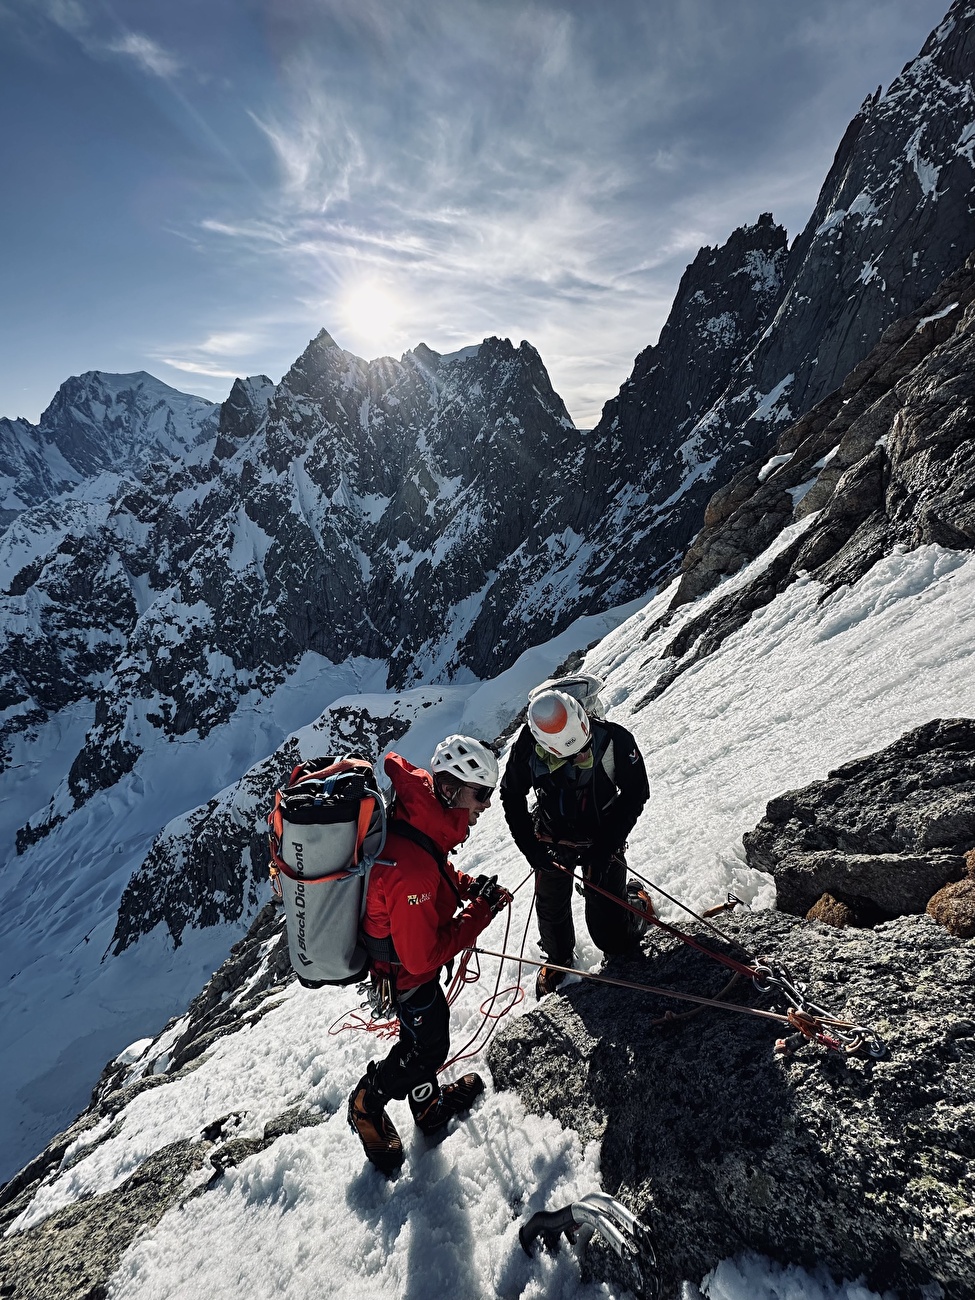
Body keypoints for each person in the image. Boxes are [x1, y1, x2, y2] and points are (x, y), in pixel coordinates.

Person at [347, 735, 511, 1175]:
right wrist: (481, 912)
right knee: (428, 1047)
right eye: (481, 795)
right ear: (453, 790)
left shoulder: (420, 811)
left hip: (396, 962)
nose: (487, 805)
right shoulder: (413, 870)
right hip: (406, 974)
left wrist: (465, 885)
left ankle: (428, 1105)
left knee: (420, 1038)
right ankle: (367, 1101)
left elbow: (432, 862)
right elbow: (423, 957)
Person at [500, 686, 650, 997]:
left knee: (613, 940)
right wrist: (531, 849)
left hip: (603, 835)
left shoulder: (615, 740)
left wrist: (607, 845)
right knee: (551, 911)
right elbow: (512, 795)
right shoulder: (528, 746)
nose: (582, 756)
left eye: (583, 748)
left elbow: (637, 792)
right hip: (553, 836)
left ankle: (636, 902)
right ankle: (559, 959)